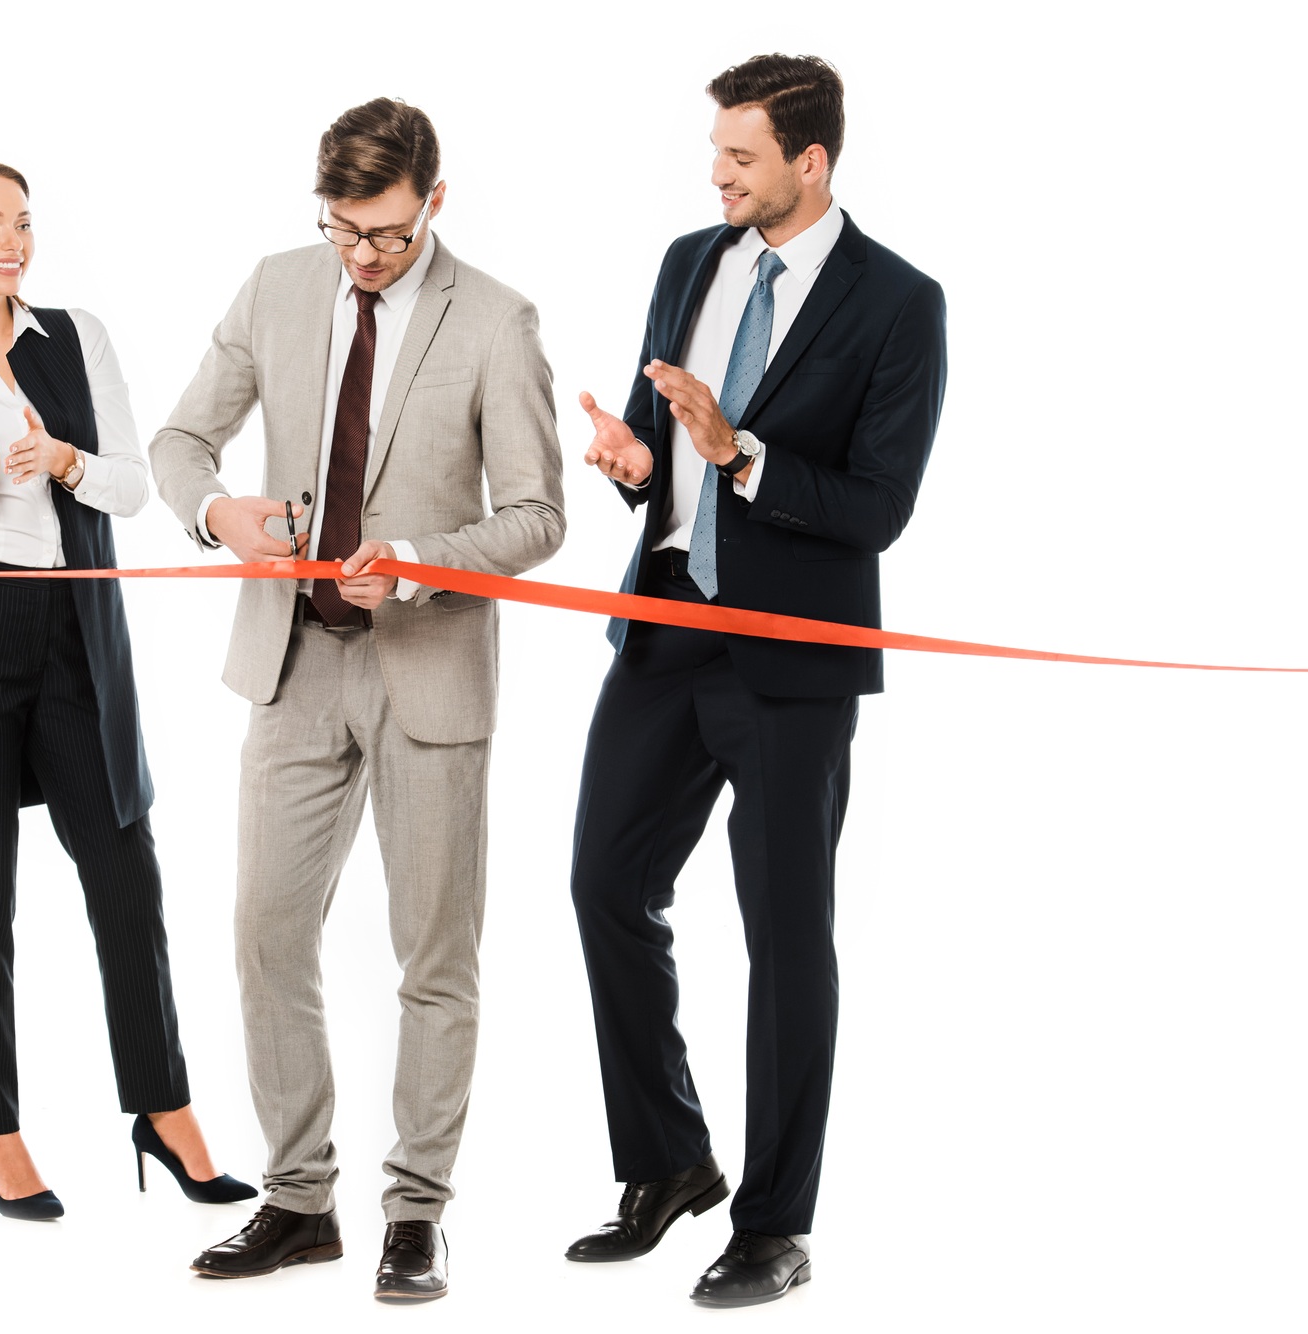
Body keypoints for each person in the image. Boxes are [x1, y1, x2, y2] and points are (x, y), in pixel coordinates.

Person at [151, 98, 565, 1303]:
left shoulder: (494, 318)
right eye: (343, 230)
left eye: (384, 234)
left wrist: (427, 555)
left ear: (434, 201)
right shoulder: (279, 286)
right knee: (264, 931)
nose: (362, 256)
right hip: (291, 665)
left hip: (426, 667)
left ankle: (415, 1212)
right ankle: (297, 1199)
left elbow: (537, 515)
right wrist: (218, 513)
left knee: (432, 953)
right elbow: (182, 438)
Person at [563, 55, 948, 1307]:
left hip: (791, 657)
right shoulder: (691, 259)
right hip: (666, 621)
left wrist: (741, 455)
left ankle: (775, 1221)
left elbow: (876, 510)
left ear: (809, 163)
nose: (714, 173)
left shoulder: (898, 302)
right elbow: (657, 433)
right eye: (713, 152)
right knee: (605, 882)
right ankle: (669, 1162)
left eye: (738, 155)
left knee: (783, 934)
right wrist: (634, 460)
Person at [0, 156, 253, 1221]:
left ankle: (163, 1108)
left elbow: (132, 486)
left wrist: (63, 457)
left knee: (125, 869)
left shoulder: (74, 336)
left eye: (23, 224)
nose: (11, 242)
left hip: (76, 632)